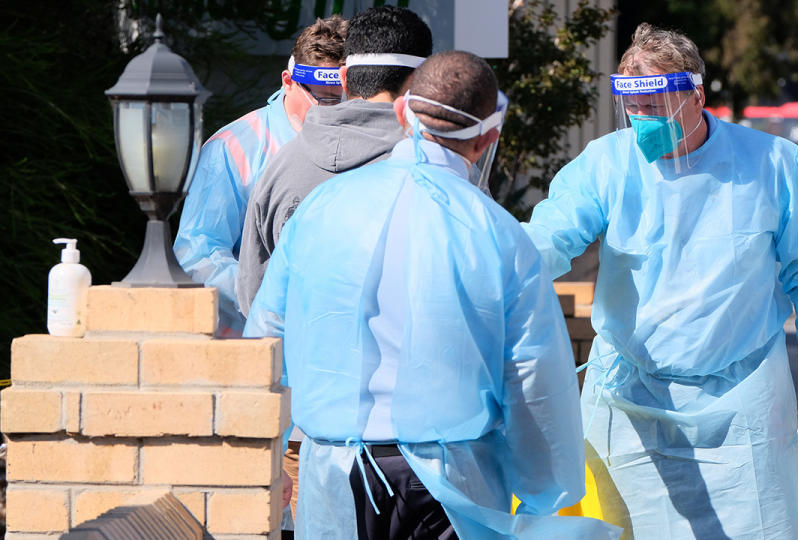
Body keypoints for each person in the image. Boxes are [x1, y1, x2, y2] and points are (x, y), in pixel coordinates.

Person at [244, 50, 621, 540]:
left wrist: (264, 461)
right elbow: (533, 380)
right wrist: (546, 496)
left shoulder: (322, 207)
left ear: (402, 111)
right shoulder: (499, 234)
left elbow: (267, 337)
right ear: (488, 138)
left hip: (331, 471)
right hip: (446, 484)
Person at [522, 23, 798, 538]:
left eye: (656, 107)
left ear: (696, 94)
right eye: (634, 108)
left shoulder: (774, 165)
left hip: (742, 399)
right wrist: (490, 261)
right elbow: (550, 238)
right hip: (627, 393)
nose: (643, 121)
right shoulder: (608, 163)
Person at [236, 5, 432, 315]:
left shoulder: (279, 168)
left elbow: (254, 298)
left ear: (343, 76)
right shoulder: (445, 172)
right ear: (422, 83)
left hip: (295, 361)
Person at [173, 16, 349, 337]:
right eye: (322, 98)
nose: (331, 112)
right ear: (287, 81)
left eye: (341, 100)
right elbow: (197, 255)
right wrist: (273, 296)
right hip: (251, 346)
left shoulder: (358, 140)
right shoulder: (233, 147)